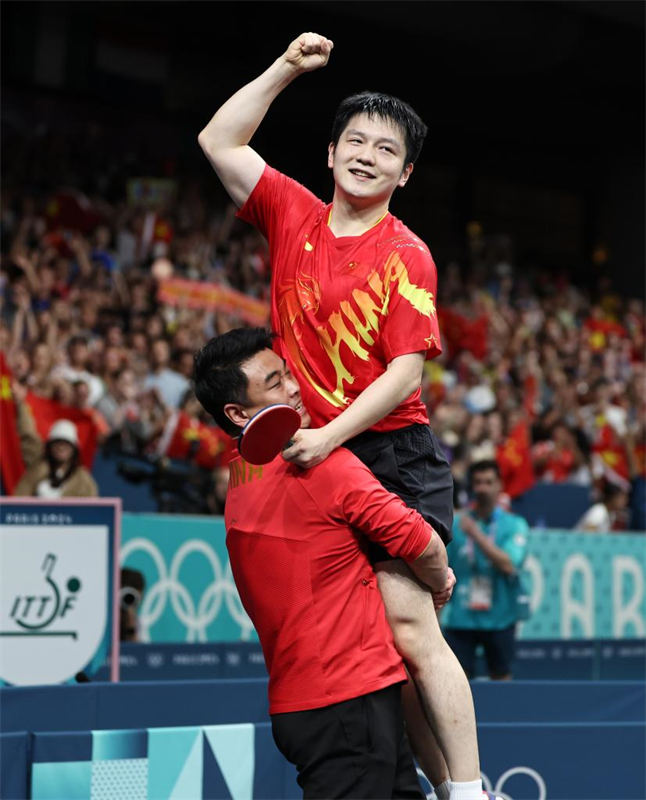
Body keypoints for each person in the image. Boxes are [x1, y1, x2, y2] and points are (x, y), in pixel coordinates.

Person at [198, 32, 487, 800]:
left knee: (410, 629)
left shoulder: (407, 253)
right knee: (375, 660)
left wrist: (327, 434)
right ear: (329, 155)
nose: (367, 155)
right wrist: (286, 69)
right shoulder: (291, 213)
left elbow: (405, 371)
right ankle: (427, 785)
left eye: (385, 149)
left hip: (387, 454)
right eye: (354, 141)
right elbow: (218, 139)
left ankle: (469, 791)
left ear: (406, 171)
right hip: (317, 463)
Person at [193, 328, 452, 799]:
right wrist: (441, 583)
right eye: (274, 383)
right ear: (237, 413)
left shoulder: (236, 482)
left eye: (289, 373)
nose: (294, 387)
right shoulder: (322, 466)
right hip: (349, 702)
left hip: (308, 707)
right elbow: (426, 546)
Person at [443, 461, 529, 680]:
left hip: (500, 617)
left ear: (499, 485)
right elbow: (442, 569)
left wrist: (475, 534)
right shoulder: (455, 524)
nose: (483, 488)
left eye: (489, 482)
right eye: (478, 482)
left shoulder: (515, 525)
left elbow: (509, 564)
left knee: (502, 680)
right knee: (456, 682)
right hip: (462, 619)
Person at [12, 382, 98, 498]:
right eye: (57, 443)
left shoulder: (83, 480)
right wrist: (21, 404)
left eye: (66, 444)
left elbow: (94, 511)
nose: (61, 447)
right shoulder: (38, 465)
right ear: (49, 446)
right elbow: (28, 434)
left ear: (74, 449)